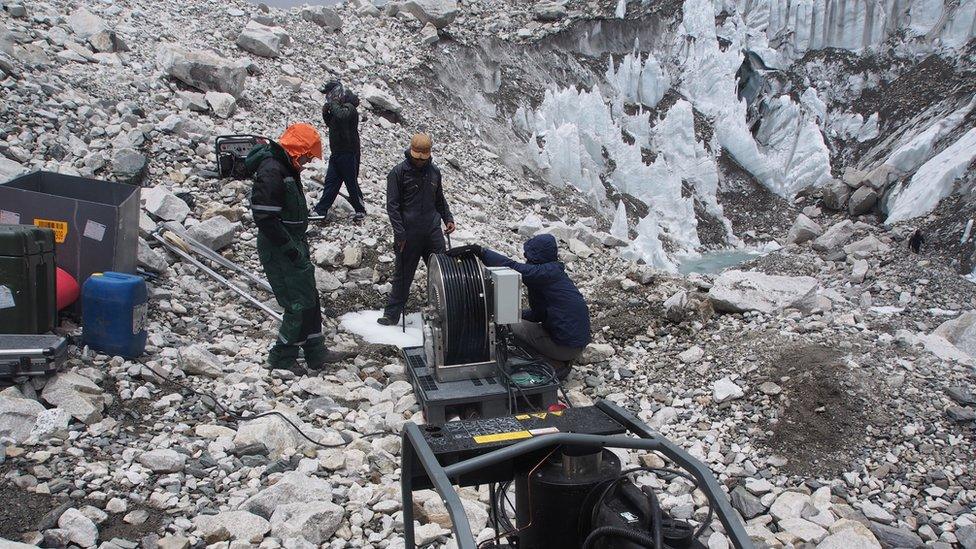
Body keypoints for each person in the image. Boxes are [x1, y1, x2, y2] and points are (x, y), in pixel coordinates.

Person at [246, 123, 355, 374]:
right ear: (297, 150)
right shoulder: (272, 170)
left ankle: (316, 351)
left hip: (294, 240)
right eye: (307, 155)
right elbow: (265, 218)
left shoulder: (284, 167)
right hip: (280, 246)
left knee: (310, 296)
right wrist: (289, 249)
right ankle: (281, 357)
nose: (307, 161)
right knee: (297, 302)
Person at [447, 235, 590, 379]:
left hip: (564, 347)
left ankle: (550, 363)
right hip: (573, 346)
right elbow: (538, 315)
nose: (527, 261)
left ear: (537, 257)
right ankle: (555, 358)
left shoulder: (544, 273)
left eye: (529, 257)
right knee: (511, 320)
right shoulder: (552, 274)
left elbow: (513, 268)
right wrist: (514, 313)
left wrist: (481, 251)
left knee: (507, 326)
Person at [378, 133, 456, 325]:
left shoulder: (435, 172)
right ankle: (392, 314)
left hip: (432, 231)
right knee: (403, 273)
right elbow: (393, 206)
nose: (420, 161)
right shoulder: (398, 173)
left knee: (441, 271)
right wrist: (400, 233)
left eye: (423, 157)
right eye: (416, 157)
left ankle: (445, 312)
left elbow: (439, 199)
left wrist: (448, 218)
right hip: (408, 233)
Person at [311, 80, 366, 223]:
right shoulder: (339, 109)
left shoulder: (349, 108)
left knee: (350, 183)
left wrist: (333, 104)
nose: (328, 97)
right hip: (337, 152)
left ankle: (360, 210)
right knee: (331, 182)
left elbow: (342, 117)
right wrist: (326, 114)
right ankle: (320, 210)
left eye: (329, 94)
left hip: (348, 152)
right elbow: (333, 124)